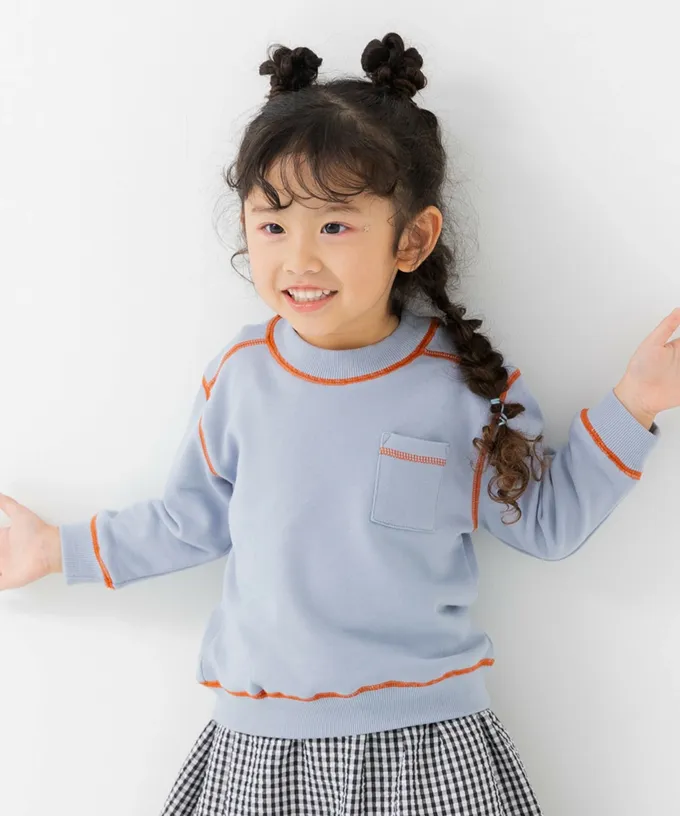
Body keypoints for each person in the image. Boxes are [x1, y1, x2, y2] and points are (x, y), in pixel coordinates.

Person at [1, 31, 678, 816]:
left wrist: (635, 402)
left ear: (412, 239)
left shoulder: (462, 386)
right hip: (262, 750)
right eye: (272, 225)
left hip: (426, 749)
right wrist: (56, 550)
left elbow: (548, 520)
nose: (299, 260)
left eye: (334, 226)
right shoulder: (240, 377)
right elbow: (191, 521)